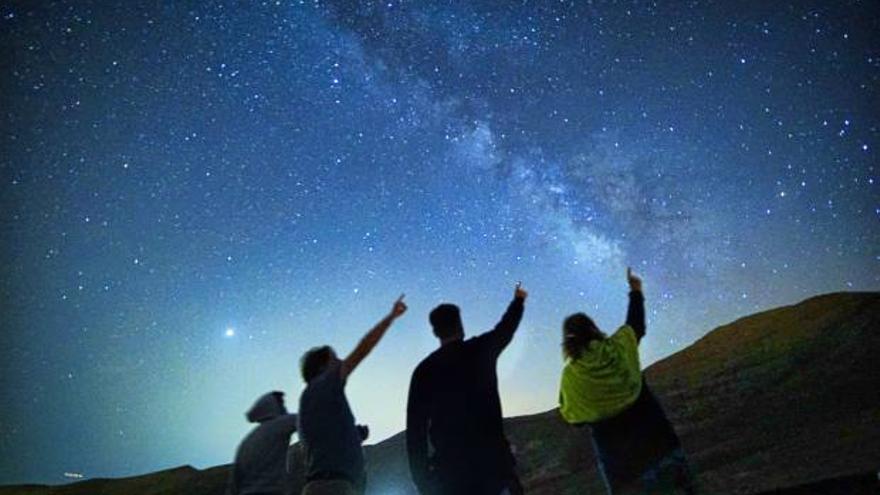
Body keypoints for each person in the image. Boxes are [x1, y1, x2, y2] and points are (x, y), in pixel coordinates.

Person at [558, 268, 696, 495]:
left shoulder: (571, 376)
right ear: (593, 329)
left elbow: (572, 417)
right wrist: (635, 291)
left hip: (623, 473)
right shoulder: (620, 346)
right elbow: (636, 325)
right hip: (661, 446)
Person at [407, 283, 528, 495]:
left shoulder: (423, 372)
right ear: (460, 325)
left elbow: (415, 431)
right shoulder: (481, 350)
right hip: (494, 468)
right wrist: (518, 300)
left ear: (435, 331)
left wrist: (423, 481)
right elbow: (507, 327)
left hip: (451, 477)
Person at [297, 294, 408, 495]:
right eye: (334, 359)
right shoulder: (324, 384)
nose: (340, 362)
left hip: (328, 485)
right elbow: (363, 348)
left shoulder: (313, 400)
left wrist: (355, 436)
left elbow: (325, 441)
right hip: (334, 487)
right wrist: (391, 317)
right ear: (322, 367)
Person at [230, 391, 299, 495]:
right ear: (273, 406)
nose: (284, 407)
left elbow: (234, 482)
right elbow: (306, 417)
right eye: (281, 404)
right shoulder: (279, 424)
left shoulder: (246, 442)